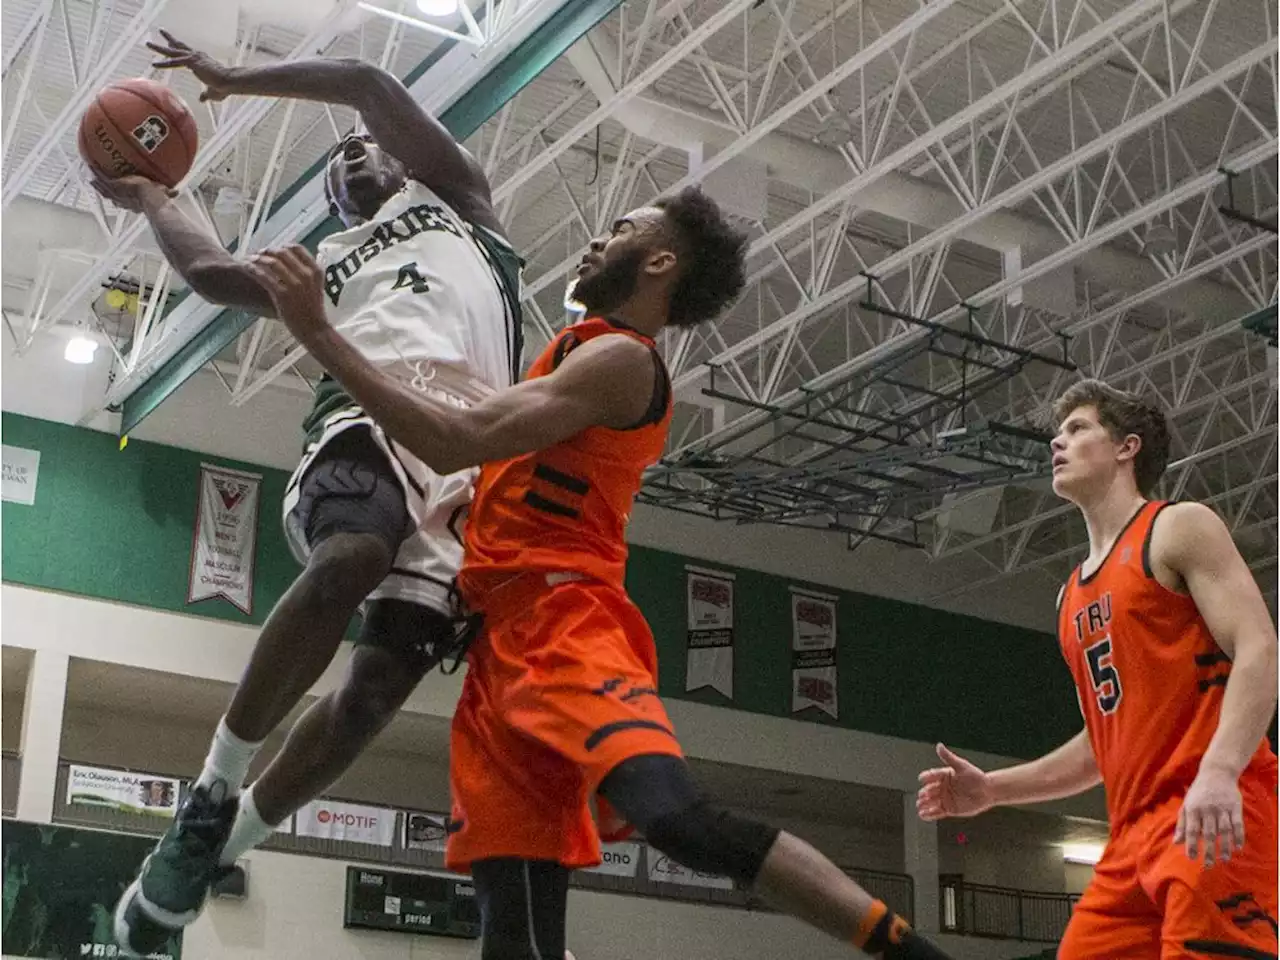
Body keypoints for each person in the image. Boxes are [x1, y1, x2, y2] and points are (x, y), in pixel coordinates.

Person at [247, 186, 955, 960]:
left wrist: (318, 329)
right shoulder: (568, 355)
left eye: (621, 227)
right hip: (499, 648)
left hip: (568, 627)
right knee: (512, 928)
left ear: (659, 261)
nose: (594, 238)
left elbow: (452, 440)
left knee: (683, 824)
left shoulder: (621, 361)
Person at [92, 31, 524, 955]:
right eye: (337, 166)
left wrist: (233, 78)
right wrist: (153, 197)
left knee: (375, 694)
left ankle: (217, 846)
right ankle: (213, 785)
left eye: (360, 148)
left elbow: (367, 83)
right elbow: (209, 272)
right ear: (329, 204)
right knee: (353, 555)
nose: (353, 157)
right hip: (367, 418)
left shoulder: (466, 208)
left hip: (470, 460)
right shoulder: (317, 268)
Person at [917, 380, 1278, 958]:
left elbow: (1261, 650)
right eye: (1059, 433)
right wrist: (992, 789)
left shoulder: (1176, 528)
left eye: (1078, 428)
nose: (1058, 442)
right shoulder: (1069, 600)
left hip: (1211, 806)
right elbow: (1099, 747)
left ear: (1126, 447)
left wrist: (1219, 770)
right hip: (1131, 835)